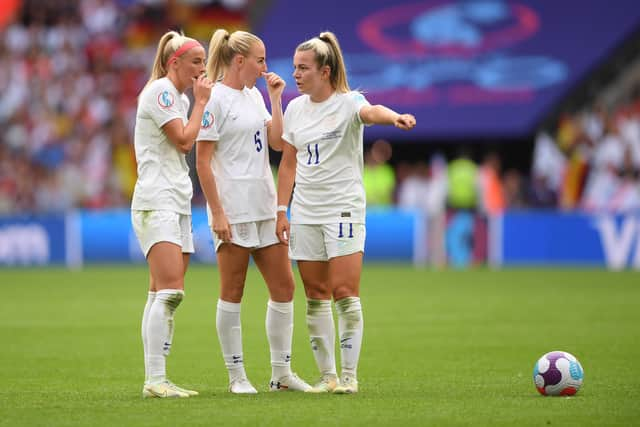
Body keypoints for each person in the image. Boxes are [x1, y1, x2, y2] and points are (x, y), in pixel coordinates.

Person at [275, 31, 416, 394]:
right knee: (315, 294)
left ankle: (349, 377)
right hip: (305, 211)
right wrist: (281, 210)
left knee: (345, 292)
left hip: (342, 209)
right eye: (294, 68)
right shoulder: (294, 109)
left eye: (303, 68)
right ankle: (328, 377)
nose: (296, 74)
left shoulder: (349, 103)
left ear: (325, 70)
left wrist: (394, 117)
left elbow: (372, 112)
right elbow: (288, 164)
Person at [195, 29, 311, 394]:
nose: (266, 66)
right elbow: (202, 161)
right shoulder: (214, 99)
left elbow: (277, 142)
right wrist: (216, 212)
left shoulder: (254, 96)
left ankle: (281, 374)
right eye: (260, 60)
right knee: (233, 290)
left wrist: (276, 100)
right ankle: (236, 376)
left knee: (284, 286)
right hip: (233, 207)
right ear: (240, 60)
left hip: (262, 203)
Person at [131, 31, 213, 398]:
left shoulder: (176, 96)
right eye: (197, 61)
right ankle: (155, 379)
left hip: (176, 200)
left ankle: (157, 379)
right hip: (157, 199)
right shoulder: (163, 92)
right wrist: (201, 104)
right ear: (173, 62)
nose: (203, 68)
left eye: (204, 61)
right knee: (170, 291)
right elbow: (184, 140)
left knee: (161, 293)